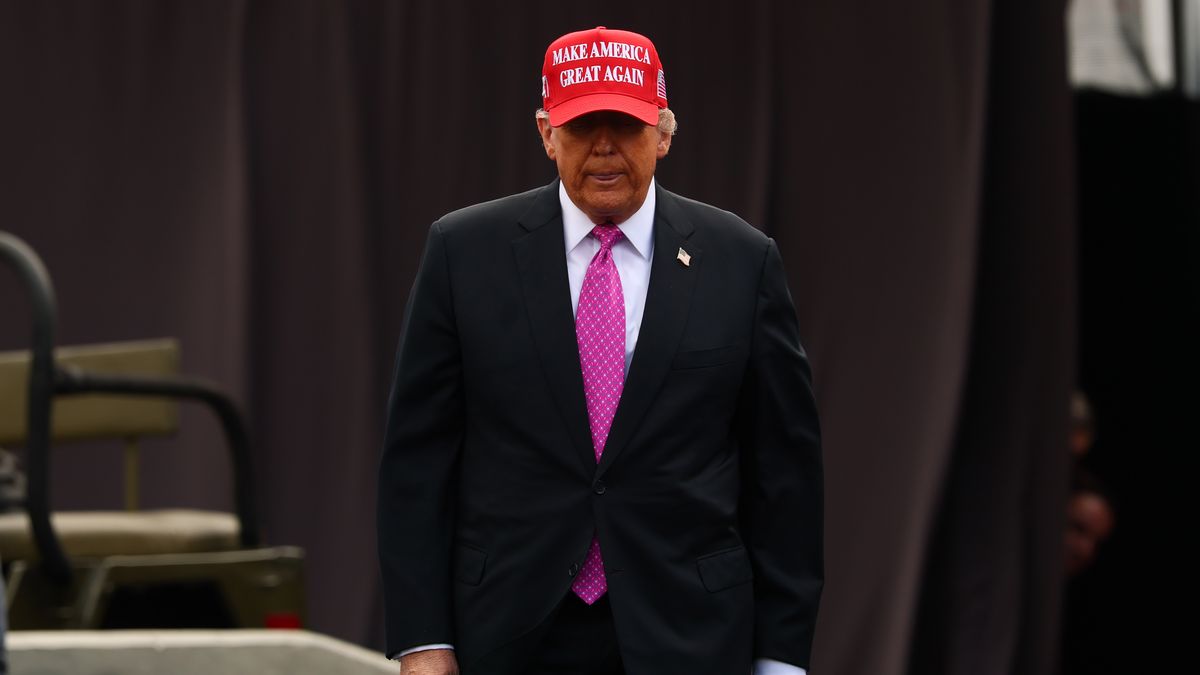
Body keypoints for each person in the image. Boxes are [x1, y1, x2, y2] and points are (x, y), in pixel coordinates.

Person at [377, 26, 823, 675]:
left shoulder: (742, 261)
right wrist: (423, 641)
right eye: (584, 125)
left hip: (689, 636)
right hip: (508, 634)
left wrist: (780, 658)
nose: (605, 146)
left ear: (664, 133)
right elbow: (416, 465)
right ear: (546, 133)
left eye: (627, 125)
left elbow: (785, 477)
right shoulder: (463, 254)